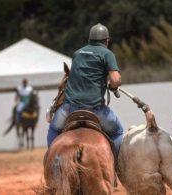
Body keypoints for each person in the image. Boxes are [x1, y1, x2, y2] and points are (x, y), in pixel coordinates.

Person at [46, 23, 124, 161]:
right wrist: (112, 86)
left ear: (89, 40)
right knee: (118, 131)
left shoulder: (77, 53)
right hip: (96, 109)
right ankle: (116, 165)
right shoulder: (107, 54)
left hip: (69, 108)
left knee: (53, 129)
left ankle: (54, 163)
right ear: (107, 41)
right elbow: (116, 80)